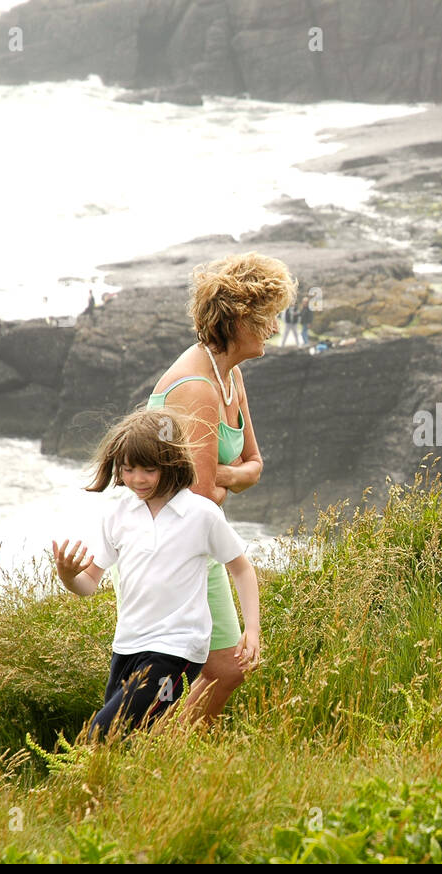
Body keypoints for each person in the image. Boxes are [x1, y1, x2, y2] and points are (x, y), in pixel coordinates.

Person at [52, 408, 261, 739]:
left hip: (178, 651)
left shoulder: (200, 514)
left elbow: (241, 569)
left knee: (101, 733)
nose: (137, 479)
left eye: (149, 469)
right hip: (128, 646)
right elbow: (89, 583)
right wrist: (67, 576)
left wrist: (251, 630)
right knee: (132, 738)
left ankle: (81, 781)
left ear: (171, 463)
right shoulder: (118, 513)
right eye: (128, 469)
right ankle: (150, 784)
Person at [146, 251, 293, 722]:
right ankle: (146, 760)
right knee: (210, 668)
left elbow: (254, 465)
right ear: (235, 320)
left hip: (199, 537)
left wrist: (225, 479)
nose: (273, 326)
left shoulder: (229, 376)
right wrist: (226, 482)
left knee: (224, 667)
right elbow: (201, 495)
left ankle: (162, 757)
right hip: (172, 546)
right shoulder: (199, 388)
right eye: (266, 316)